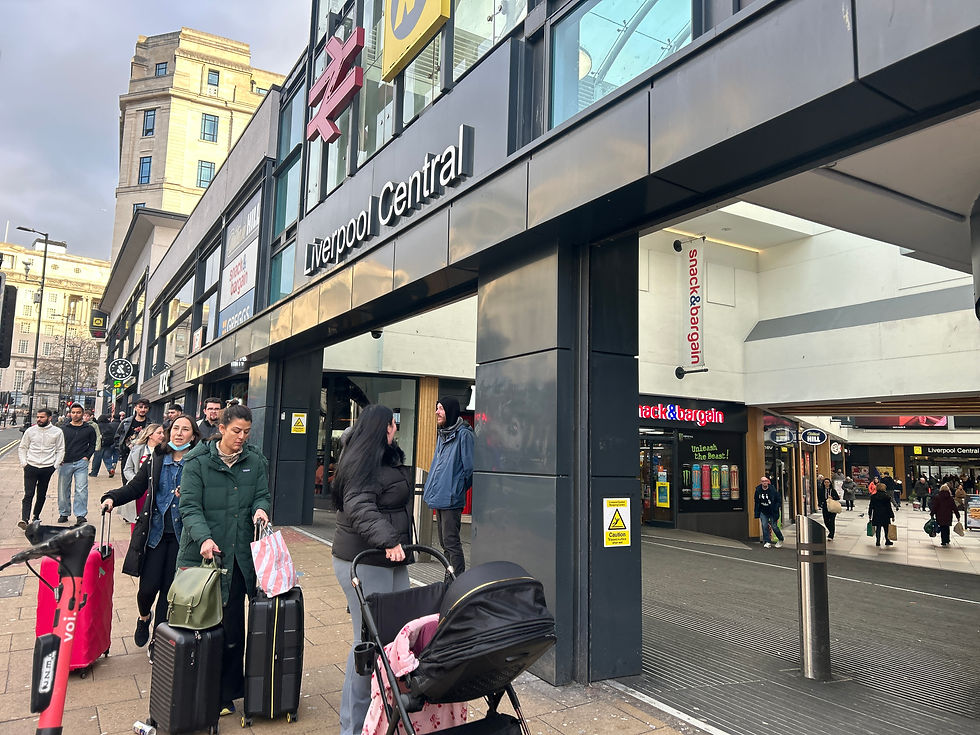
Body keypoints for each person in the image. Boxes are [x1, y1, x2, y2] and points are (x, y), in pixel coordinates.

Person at [176, 403, 270, 717]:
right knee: (200, 626)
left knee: (232, 629)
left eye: (247, 432)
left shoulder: (255, 460)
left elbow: (262, 494)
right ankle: (197, 689)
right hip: (202, 559)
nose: (241, 437)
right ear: (221, 428)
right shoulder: (197, 461)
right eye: (236, 431)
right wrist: (204, 538)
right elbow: (189, 506)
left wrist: (261, 508)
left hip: (239, 558)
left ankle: (226, 694)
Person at [331, 404, 413, 735]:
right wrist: (389, 540)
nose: (396, 429)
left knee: (396, 637)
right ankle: (353, 726)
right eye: (392, 424)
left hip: (389, 560)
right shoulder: (363, 460)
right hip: (365, 560)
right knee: (367, 644)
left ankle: (384, 714)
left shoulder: (381, 456)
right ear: (382, 427)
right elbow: (359, 506)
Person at [101, 415, 201, 661]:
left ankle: (159, 640)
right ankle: (144, 617)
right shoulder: (156, 459)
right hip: (154, 534)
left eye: (185, 429)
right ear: (168, 433)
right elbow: (135, 487)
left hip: (182, 538)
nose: (179, 433)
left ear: (193, 436)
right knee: (147, 589)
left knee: (169, 592)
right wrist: (112, 497)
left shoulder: (197, 462)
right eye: (175, 428)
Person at [422, 396, 474, 574]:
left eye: (441, 408)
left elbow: (470, 469)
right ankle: (449, 579)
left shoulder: (464, 435)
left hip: (451, 498)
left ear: (450, 411)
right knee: (445, 543)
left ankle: (457, 581)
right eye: (437, 408)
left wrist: (456, 488)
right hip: (440, 496)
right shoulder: (443, 434)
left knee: (451, 542)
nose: (437, 412)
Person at [17, 408, 65, 529]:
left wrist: (55, 466)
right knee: (28, 494)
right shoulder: (30, 431)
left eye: (42, 417)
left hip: (47, 467)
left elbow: (60, 449)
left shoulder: (57, 432)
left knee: (41, 494)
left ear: (49, 418)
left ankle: (36, 516)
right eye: (38, 417)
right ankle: (24, 519)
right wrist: (24, 463)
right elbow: (23, 447)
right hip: (31, 466)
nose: (39, 419)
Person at [117, 424, 166, 528]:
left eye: (163, 433)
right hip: (139, 491)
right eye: (159, 433)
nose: (162, 435)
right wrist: (137, 481)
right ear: (150, 435)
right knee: (137, 522)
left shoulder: (165, 451)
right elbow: (127, 469)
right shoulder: (137, 449)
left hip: (156, 491)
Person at [57, 403, 97, 525]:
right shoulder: (63, 429)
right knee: (63, 489)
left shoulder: (89, 429)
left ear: (83, 414)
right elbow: (58, 445)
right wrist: (59, 458)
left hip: (81, 462)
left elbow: (93, 444)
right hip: (65, 462)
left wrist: (87, 457)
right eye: (73, 412)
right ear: (70, 413)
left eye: (78, 412)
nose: (75, 415)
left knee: (81, 489)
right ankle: (64, 513)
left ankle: (80, 514)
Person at [114, 398, 150, 485]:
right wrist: (122, 451)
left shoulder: (150, 424)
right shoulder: (125, 422)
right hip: (127, 455)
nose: (143, 409)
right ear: (135, 408)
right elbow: (117, 437)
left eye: (145, 407)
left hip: (143, 455)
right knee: (126, 482)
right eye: (140, 407)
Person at [754, 476, 783, 548]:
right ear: (761, 482)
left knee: (774, 526)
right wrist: (757, 512)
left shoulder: (772, 490)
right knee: (764, 526)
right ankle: (767, 541)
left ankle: (780, 539)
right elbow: (756, 501)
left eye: (766, 481)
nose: (765, 482)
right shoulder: (758, 490)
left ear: (768, 482)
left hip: (772, 511)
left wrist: (776, 507)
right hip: (763, 511)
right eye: (763, 481)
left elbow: (778, 500)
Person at [930, 481, 961, 548]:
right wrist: (958, 516)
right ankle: (947, 540)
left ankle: (943, 541)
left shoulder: (937, 497)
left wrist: (932, 513)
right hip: (948, 515)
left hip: (940, 515)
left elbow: (935, 506)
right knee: (947, 527)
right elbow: (954, 508)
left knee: (942, 527)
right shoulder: (950, 498)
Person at [868, 481, 895, 547]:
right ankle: (887, 540)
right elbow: (889, 507)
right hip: (885, 515)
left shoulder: (873, 497)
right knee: (886, 528)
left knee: (878, 528)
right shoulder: (887, 497)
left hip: (876, 514)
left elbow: (871, 506)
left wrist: (870, 514)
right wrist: (892, 516)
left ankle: (878, 541)